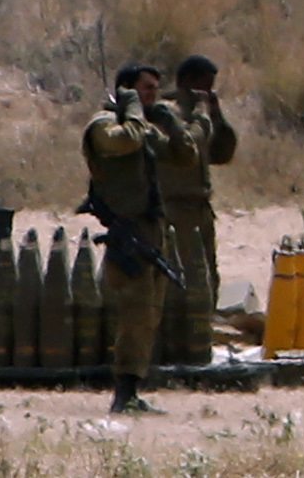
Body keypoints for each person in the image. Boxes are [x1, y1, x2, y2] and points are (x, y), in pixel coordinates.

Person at [81, 64, 198, 413]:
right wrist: (131, 107)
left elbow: (184, 155)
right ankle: (124, 394)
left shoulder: (142, 126)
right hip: (125, 231)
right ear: (127, 91)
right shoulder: (103, 125)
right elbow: (126, 140)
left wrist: (170, 120)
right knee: (135, 312)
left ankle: (132, 389)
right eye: (145, 89)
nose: (152, 95)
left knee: (148, 312)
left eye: (155, 90)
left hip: (149, 230)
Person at [156, 55, 240, 365]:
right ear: (186, 83)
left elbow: (222, 153)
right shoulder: (167, 113)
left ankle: (199, 341)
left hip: (200, 209)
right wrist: (203, 118)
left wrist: (217, 116)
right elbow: (188, 146)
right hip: (175, 208)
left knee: (207, 277)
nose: (207, 93)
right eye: (202, 86)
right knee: (182, 279)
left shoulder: (201, 114)